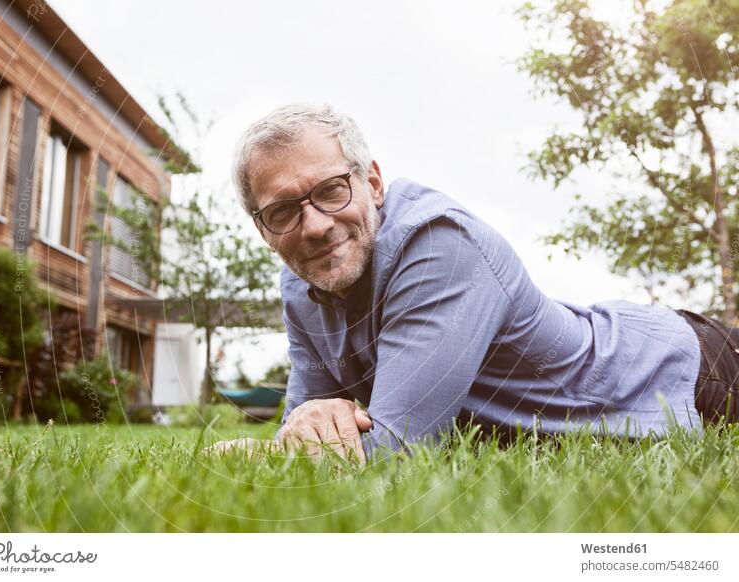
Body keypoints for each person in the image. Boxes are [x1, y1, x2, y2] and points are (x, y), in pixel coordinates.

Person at [212, 102, 739, 463]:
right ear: (262, 228)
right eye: (283, 210)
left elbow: (394, 454)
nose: (316, 225)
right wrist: (310, 418)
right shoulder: (301, 283)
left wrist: (252, 452)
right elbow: (310, 431)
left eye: (331, 190)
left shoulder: (439, 247)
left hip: (685, 372)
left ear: (372, 182)